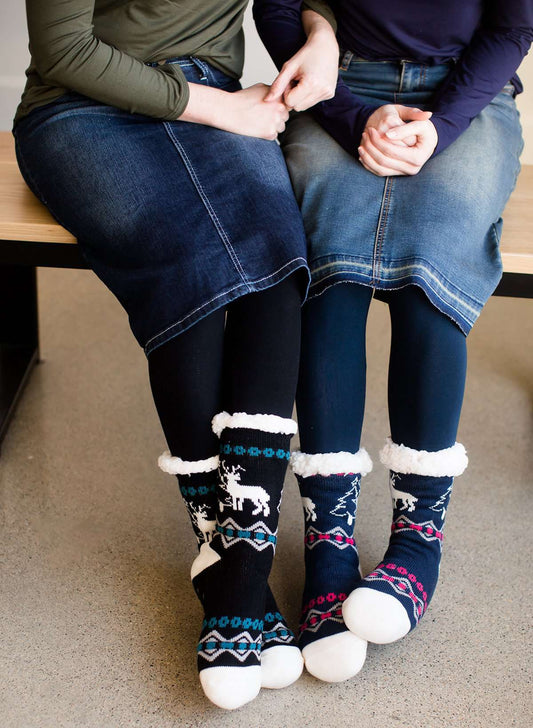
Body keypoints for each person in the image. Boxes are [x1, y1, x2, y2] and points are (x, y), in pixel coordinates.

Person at [13, 0, 340, 710]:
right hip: (82, 108)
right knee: (189, 272)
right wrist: (220, 111)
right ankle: (237, 575)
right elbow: (65, 50)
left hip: (217, 97)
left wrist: (322, 34)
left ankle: (235, 563)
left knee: (279, 269)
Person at [254, 0, 532, 683]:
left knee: (432, 265)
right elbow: (278, 4)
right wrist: (351, 116)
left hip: (466, 98)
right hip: (339, 86)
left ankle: (417, 539)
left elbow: (511, 25)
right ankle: (328, 547)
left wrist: (438, 128)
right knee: (330, 270)